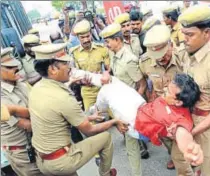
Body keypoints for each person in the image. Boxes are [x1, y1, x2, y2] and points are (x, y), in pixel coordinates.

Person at [29, 43, 125, 176]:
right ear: (52, 69)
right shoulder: (63, 97)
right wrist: (114, 121)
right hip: (61, 161)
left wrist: (89, 117)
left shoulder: (37, 89)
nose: (70, 68)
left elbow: (56, 117)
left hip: (43, 161)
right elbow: (89, 131)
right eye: (65, 64)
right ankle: (106, 173)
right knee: (106, 138)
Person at [92, 73, 203, 167]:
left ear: (178, 102)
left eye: (168, 91)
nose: (164, 90)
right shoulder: (173, 100)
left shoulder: (181, 119)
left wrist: (188, 148)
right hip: (141, 108)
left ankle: (96, 110)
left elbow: (182, 133)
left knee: (106, 91)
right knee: (114, 83)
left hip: (134, 124)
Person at [171, 5, 210, 175]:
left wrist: (191, 132)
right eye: (183, 33)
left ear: (207, 33)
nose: (184, 39)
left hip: (206, 125)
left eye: (190, 35)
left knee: (207, 169)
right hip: (187, 117)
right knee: (179, 158)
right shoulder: (188, 54)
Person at [100, 23, 147, 176]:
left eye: (108, 41)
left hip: (133, 107)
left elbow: (142, 84)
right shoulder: (114, 55)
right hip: (123, 108)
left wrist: (135, 108)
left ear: (117, 40)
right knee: (130, 143)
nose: (106, 44)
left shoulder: (129, 60)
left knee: (161, 135)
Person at [140, 24, 182, 169]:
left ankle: (184, 157)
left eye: (164, 53)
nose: (161, 59)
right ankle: (174, 155)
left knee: (184, 134)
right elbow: (146, 83)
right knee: (165, 135)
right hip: (161, 105)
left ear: (171, 44)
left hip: (182, 105)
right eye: (157, 56)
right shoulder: (144, 62)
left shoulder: (183, 58)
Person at [1, 47, 44, 176]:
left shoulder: (20, 84)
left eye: (15, 64)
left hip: (38, 145)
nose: (16, 68)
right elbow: (26, 124)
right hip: (23, 154)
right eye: (9, 67)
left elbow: (37, 104)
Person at [70, 20, 110, 111]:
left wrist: (105, 74)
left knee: (109, 113)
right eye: (82, 37)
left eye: (88, 36)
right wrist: (82, 82)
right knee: (92, 116)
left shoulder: (101, 49)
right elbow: (73, 74)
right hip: (87, 91)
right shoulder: (74, 53)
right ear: (77, 38)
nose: (86, 40)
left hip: (103, 87)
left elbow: (109, 69)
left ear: (91, 34)